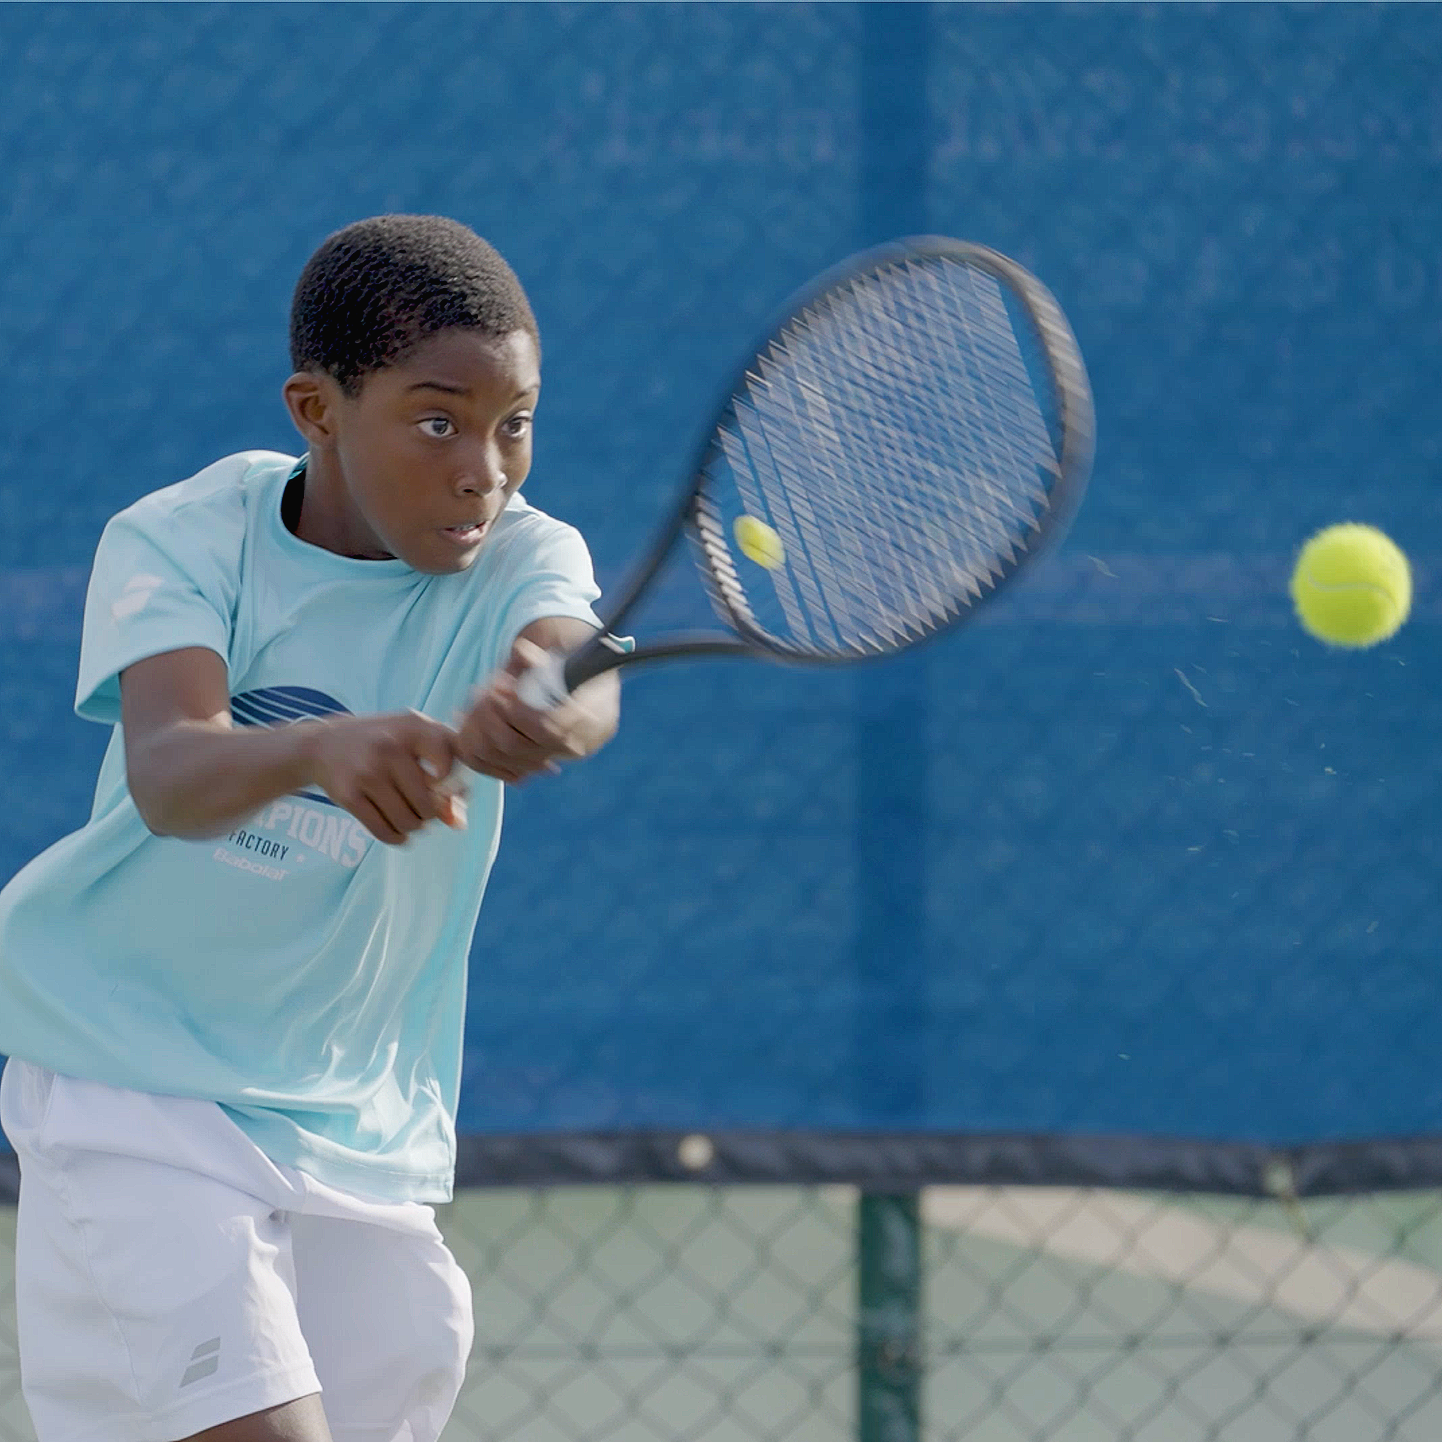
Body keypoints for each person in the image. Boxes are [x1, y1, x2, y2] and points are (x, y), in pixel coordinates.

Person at [0, 214, 620, 1442]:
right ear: (316, 409)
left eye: (515, 424)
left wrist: (551, 712)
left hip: (356, 1120)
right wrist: (324, 747)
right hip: (133, 1080)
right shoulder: (183, 535)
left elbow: (576, 667)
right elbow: (173, 773)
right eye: (437, 418)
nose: (482, 468)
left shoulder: (527, 558)